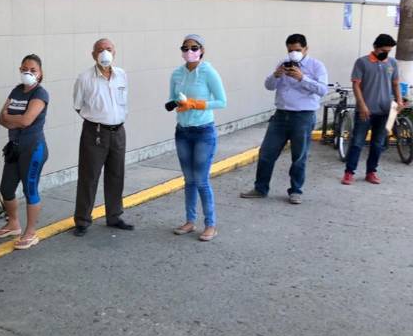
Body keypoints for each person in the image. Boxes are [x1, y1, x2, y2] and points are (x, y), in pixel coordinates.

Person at [240, 34, 328, 204]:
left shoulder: (316, 66)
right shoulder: (283, 63)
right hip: (281, 115)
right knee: (266, 153)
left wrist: (302, 78)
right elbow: (268, 86)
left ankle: (296, 191)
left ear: (306, 49)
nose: (294, 53)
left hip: (303, 116)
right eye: (290, 50)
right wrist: (276, 75)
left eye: (297, 50)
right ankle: (260, 188)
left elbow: (322, 90)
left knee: (299, 156)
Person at [168, 34, 227, 241]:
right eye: (185, 48)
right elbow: (172, 98)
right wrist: (176, 103)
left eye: (194, 47)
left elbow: (221, 101)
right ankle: (190, 221)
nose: (189, 51)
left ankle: (210, 224)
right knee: (189, 180)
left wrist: (197, 104)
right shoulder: (176, 74)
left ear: (202, 50)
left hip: (203, 131)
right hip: (183, 131)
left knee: (201, 180)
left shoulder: (208, 72)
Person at [72, 38, 133, 237]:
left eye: (108, 49)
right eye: (100, 50)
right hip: (95, 132)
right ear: (93, 54)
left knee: (116, 175)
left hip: (118, 131)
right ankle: (82, 220)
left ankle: (114, 216)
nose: (104, 53)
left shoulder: (121, 75)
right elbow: (78, 105)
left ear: (114, 52)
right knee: (89, 176)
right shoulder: (85, 78)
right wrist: (97, 120)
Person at [0, 54, 50, 250]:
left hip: (33, 149)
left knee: (30, 189)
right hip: (14, 148)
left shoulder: (40, 94)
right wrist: (14, 118)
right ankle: (13, 223)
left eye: (33, 70)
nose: (28, 72)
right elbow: (1, 119)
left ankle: (31, 232)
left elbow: (27, 121)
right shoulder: (17, 90)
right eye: (24, 69)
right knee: (6, 188)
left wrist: (12, 118)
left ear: (40, 74)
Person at [342, 34, 404, 185]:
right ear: (375, 47)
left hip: (385, 111)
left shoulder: (392, 63)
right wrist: (362, 105)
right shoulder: (362, 62)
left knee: (378, 143)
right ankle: (349, 173)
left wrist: (399, 101)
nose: (386, 53)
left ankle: (371, 172)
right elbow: (356, 85)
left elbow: (395, 84)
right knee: (357, 142)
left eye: (388, 51)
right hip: (365, 110)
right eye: (384, 50)